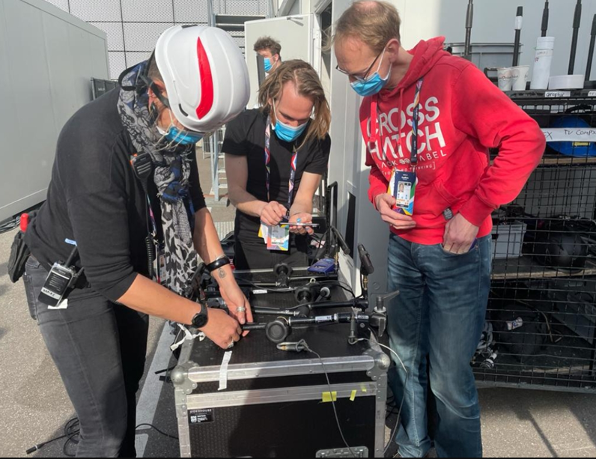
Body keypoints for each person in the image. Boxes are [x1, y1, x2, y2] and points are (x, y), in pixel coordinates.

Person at [22, 25, 253, 457]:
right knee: (105, 431)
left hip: (128, 267)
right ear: (155, 92)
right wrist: (202, 318)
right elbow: (110, 276)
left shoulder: (167, 127)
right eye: (191, 128)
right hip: (74, 281)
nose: (193, 140)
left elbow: (194, 205)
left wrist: (225, 278)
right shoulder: (94, 143)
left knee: (126, 392)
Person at [332, 1, 545, 458]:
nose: (354, 84)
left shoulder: (454, 78)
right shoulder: (371, 105)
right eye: (346, 73)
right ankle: (413, 444)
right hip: (403, 248)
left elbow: (526, 138)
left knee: (449, 376)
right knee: (404, 357)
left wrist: (474, 211)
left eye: (359, 72)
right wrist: (379, 197)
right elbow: (378, 170)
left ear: (391, 48)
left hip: (456, 250)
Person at [223, 60, 331, 270]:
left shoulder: (318, 139)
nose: (294, 126)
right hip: (251, 236)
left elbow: (303, 197)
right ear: (271, 99)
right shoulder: (242, 126)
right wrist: (262, 208)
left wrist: (299, 216)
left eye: (303, 120)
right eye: (287, 117)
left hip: (294, 241)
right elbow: (235, 192)